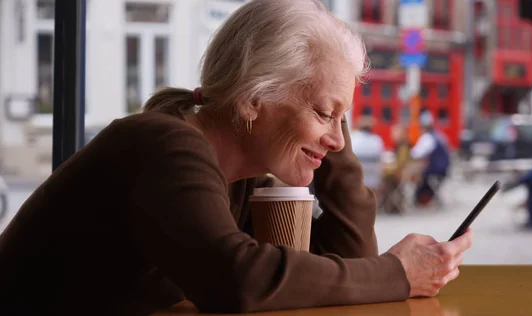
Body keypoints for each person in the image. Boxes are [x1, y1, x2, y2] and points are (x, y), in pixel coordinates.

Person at [0, 1, 473, 315]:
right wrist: (398, 273)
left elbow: (345, 264)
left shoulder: (238, 173)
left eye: (342, 120)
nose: (337, 141)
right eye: (325, 113)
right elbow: (237, 279)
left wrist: (330, 120)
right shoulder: (166, 146)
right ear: (252, 99)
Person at [410, 110, 451, 206]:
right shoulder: (440, 135)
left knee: (416, 175)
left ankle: (420, 199)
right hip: (444, 169)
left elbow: (416, 154)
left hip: (435, 170)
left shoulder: (428, 138)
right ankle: (426, 197)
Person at [350, 116, 385, 192]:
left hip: (355, 177)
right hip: (372, 179)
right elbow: (381, 158)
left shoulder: (352, 138)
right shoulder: (377, 140)